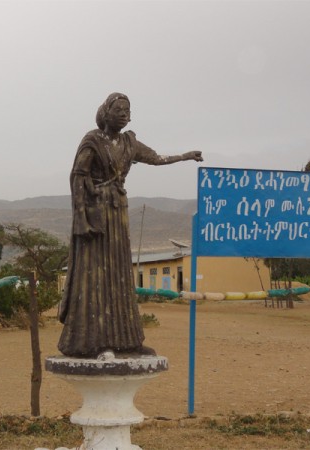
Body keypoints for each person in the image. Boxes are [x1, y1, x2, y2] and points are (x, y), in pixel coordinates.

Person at [57, 92, 203, 358]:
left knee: (120, 276)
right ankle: (94, 342)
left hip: (118, 212)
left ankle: (128, 340)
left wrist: (184, 156)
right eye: (119, 109)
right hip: (96, 214)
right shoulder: (92, 140)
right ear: (106, 112)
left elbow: (156, 158)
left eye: (128, 110)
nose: (125, 114)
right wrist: (83, 218)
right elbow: (78, 177)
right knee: (98, 277)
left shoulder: (129, 142)